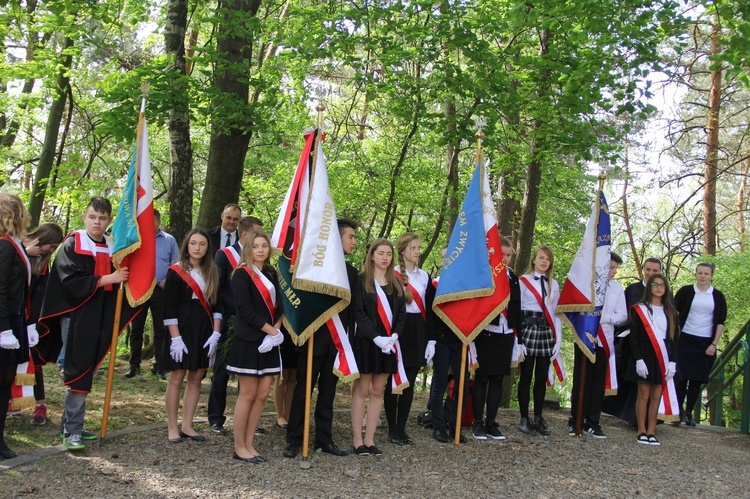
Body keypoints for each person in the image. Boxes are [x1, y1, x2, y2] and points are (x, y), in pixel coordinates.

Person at [37, 197, 136, 451]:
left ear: (109, 221)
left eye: (102, 218)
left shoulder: (113, 246)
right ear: (85, 217)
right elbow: (69, 281)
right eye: (93, 217)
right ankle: (72, 431)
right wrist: (109, 278)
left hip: (100, 316)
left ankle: (71, 424)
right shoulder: (73, 243)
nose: (97, 222)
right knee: (78, 371)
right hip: (76, 315)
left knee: (86, 369)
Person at [283, 218, 358, 458]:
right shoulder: (313, 267)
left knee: (328, 393)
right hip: (313, 339)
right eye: (350, 237)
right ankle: (294, 440)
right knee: (303, 391)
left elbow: (352, 310)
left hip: (336, 344)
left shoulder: (351, 273)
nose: (354, 242)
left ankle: (324, 439)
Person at [227, 230, 284, 463]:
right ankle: (239, 446)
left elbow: (280, 305)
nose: (260, 250)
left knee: (262, 395)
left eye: (264, 246)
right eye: (256, 246)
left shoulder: (271, 272)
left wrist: (276, 331)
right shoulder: (241, 274)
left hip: (270, 342)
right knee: (248, 394)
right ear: (248, 248)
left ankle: (250, 443)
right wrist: (271, 332)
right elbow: (245, 311)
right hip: (250, 341)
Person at [163, 229, 222, 443]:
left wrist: (216, 332)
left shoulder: (213, 272)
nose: (197, 248)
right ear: (187, 245)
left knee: (196, 377)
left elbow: (217, 305)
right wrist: (175, 338)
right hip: (181, 327)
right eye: (193, 243)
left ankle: (187, 425)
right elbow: (168, 308)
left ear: (207, 248)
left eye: (202, 244)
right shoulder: (175, 271)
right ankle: (172, 426)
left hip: (205, 328)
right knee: (177, 376)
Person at [208, 216, 263, 436]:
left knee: (249, 374)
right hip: (229, 320)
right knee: (221, 371)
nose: (260, 239)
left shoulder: (259, 259)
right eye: (256, 233)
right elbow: (218, 290)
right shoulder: (225, 255)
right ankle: (215, 418)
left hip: (253, 324)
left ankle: (248, 419)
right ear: (244, 235)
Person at [351, 239, 406, 456]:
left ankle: (370, 439)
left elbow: (401, 313)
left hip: (388, 345)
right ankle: (357, 441)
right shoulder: (361, 280)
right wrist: (375, 337)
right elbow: (358, 312)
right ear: (372, 255)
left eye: (389, 254)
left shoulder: (396, 282)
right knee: (362, 389)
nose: (385, 257)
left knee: (377, 391)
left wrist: (394, 336)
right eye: (381, 253)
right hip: (367, 341)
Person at [568, 252, 627, 438]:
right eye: (610, 267)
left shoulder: (617, 288)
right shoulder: (587, 284)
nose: (613, 272)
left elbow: (622, 315)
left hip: (605, 339)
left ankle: (593, 421)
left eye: (615, 268)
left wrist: (606, 319)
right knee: (581, 379)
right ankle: (575, 419)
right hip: (585, 337)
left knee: (597, 382)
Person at [602, 256, 664, 426]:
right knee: (631, 381)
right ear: (644, 270)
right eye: (648, 269)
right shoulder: (633, 289)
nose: (651, 273)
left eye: (655, 271)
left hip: (655, 346)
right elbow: (623, 314)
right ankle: (629, 415)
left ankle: (647, 421)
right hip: (631, 342)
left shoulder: (664, 291)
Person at [385, 232, 434, 445]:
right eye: (413, 248)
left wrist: (431, 339)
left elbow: (430, 309)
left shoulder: (424, 276)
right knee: (392, 379)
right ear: (403, 250)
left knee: (410, 380)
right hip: (398, 329)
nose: (417, 252)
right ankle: (392, 428)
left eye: (418, 248)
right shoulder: (391, 274)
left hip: (418, 329)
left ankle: (402, 428)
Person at [471, 236, 521, 441]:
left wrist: (519, 337)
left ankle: (491, 422)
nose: (506, 258)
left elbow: (517, 308)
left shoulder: (513, 278)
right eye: (503, 254)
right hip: (486, 332)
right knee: (482, 378)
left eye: (509, 255)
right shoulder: (485, 275)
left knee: (498, 379)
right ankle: (478, 423)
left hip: (506, 333)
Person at [125, 210, 179, 380]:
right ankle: (134, 365)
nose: (150, 223)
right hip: (140, 289)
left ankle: (159, 366)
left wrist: (167, 280)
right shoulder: (136, 240)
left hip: (160, 289)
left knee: (161, 329)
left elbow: (176, 264)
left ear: (158, 220)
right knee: (137, 328)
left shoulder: (169, 240)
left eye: (153, 220)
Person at [625, 273, 679, 446]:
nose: (658, 288)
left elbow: (676, 339)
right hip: (645, 355)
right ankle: (641, 429)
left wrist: (673, 362)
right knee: (644, 393)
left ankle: (651, 431)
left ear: (666, 289)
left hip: (663, 356)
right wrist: (638, 360)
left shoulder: (671, 312)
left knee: (656, 395)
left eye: (662, 285)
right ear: (649, 287)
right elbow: (633, 338)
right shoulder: (639, 309)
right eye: (655, 284)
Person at [674, 263, 726, 426]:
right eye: (700, 273)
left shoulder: (717, 296)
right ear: (695, 274)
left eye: (706, 273)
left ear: (711, 276)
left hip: (705, 342)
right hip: (685, 339)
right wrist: (675, 335)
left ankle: (689, 413)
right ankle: (677, 413)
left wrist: (714, 344)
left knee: (696, 380)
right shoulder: (686, 291)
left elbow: (720, 322)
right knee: (681, 378)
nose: (703, 276)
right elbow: (675, 314)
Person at [426, 247, 470, 444]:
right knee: (440, 383)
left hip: (460, 339)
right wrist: (432, 340)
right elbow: (430, 314)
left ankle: (454, 424)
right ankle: (438, 425)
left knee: (462, 384)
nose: (448, 260)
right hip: (441, 340)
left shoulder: (465, 285)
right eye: (444, 257)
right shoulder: (434, 285)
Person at [0, 194, 32, 460]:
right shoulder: (5, 246)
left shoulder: (14, 244)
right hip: (5, 322)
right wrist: (3, 329)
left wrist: (28, 323)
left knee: (4, 383)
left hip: (15, 319)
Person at [23, 223, 64, 426]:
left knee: (34, 361)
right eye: (52, 246)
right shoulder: (16, 247)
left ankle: (39, 404)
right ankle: (13, 401)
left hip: (32, 318)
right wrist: (25, 252)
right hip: (11, 313)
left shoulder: (44, 262)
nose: (52, 251)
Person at [517, 245, 560, 436]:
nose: (544, 261)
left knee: (541, 377)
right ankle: (524, 418)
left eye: (548, 259)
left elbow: (556, 314)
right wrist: (517, 340)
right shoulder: (523, 281)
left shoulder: (554, 284)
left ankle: (538, 418)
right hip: (527, 330)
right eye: (541, 258)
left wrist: (558, 340)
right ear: (533, 260)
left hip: (545, 332)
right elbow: (516, 312)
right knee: (526, 376)